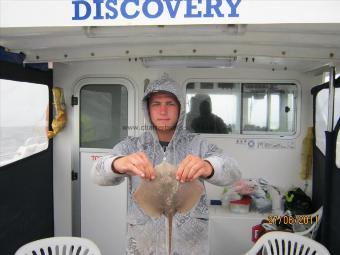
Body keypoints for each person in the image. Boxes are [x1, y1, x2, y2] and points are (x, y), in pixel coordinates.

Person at [92, 74, 241, 255]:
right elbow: (96, 174)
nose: (163, 111)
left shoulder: (197, 144)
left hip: (190, 246)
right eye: (156, 104)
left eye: (170, 103)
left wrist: (209, 166)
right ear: (147, 110)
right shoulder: (132, 145)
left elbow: (234, 171)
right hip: (143, 245)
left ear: (180, 109)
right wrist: (117, 163)